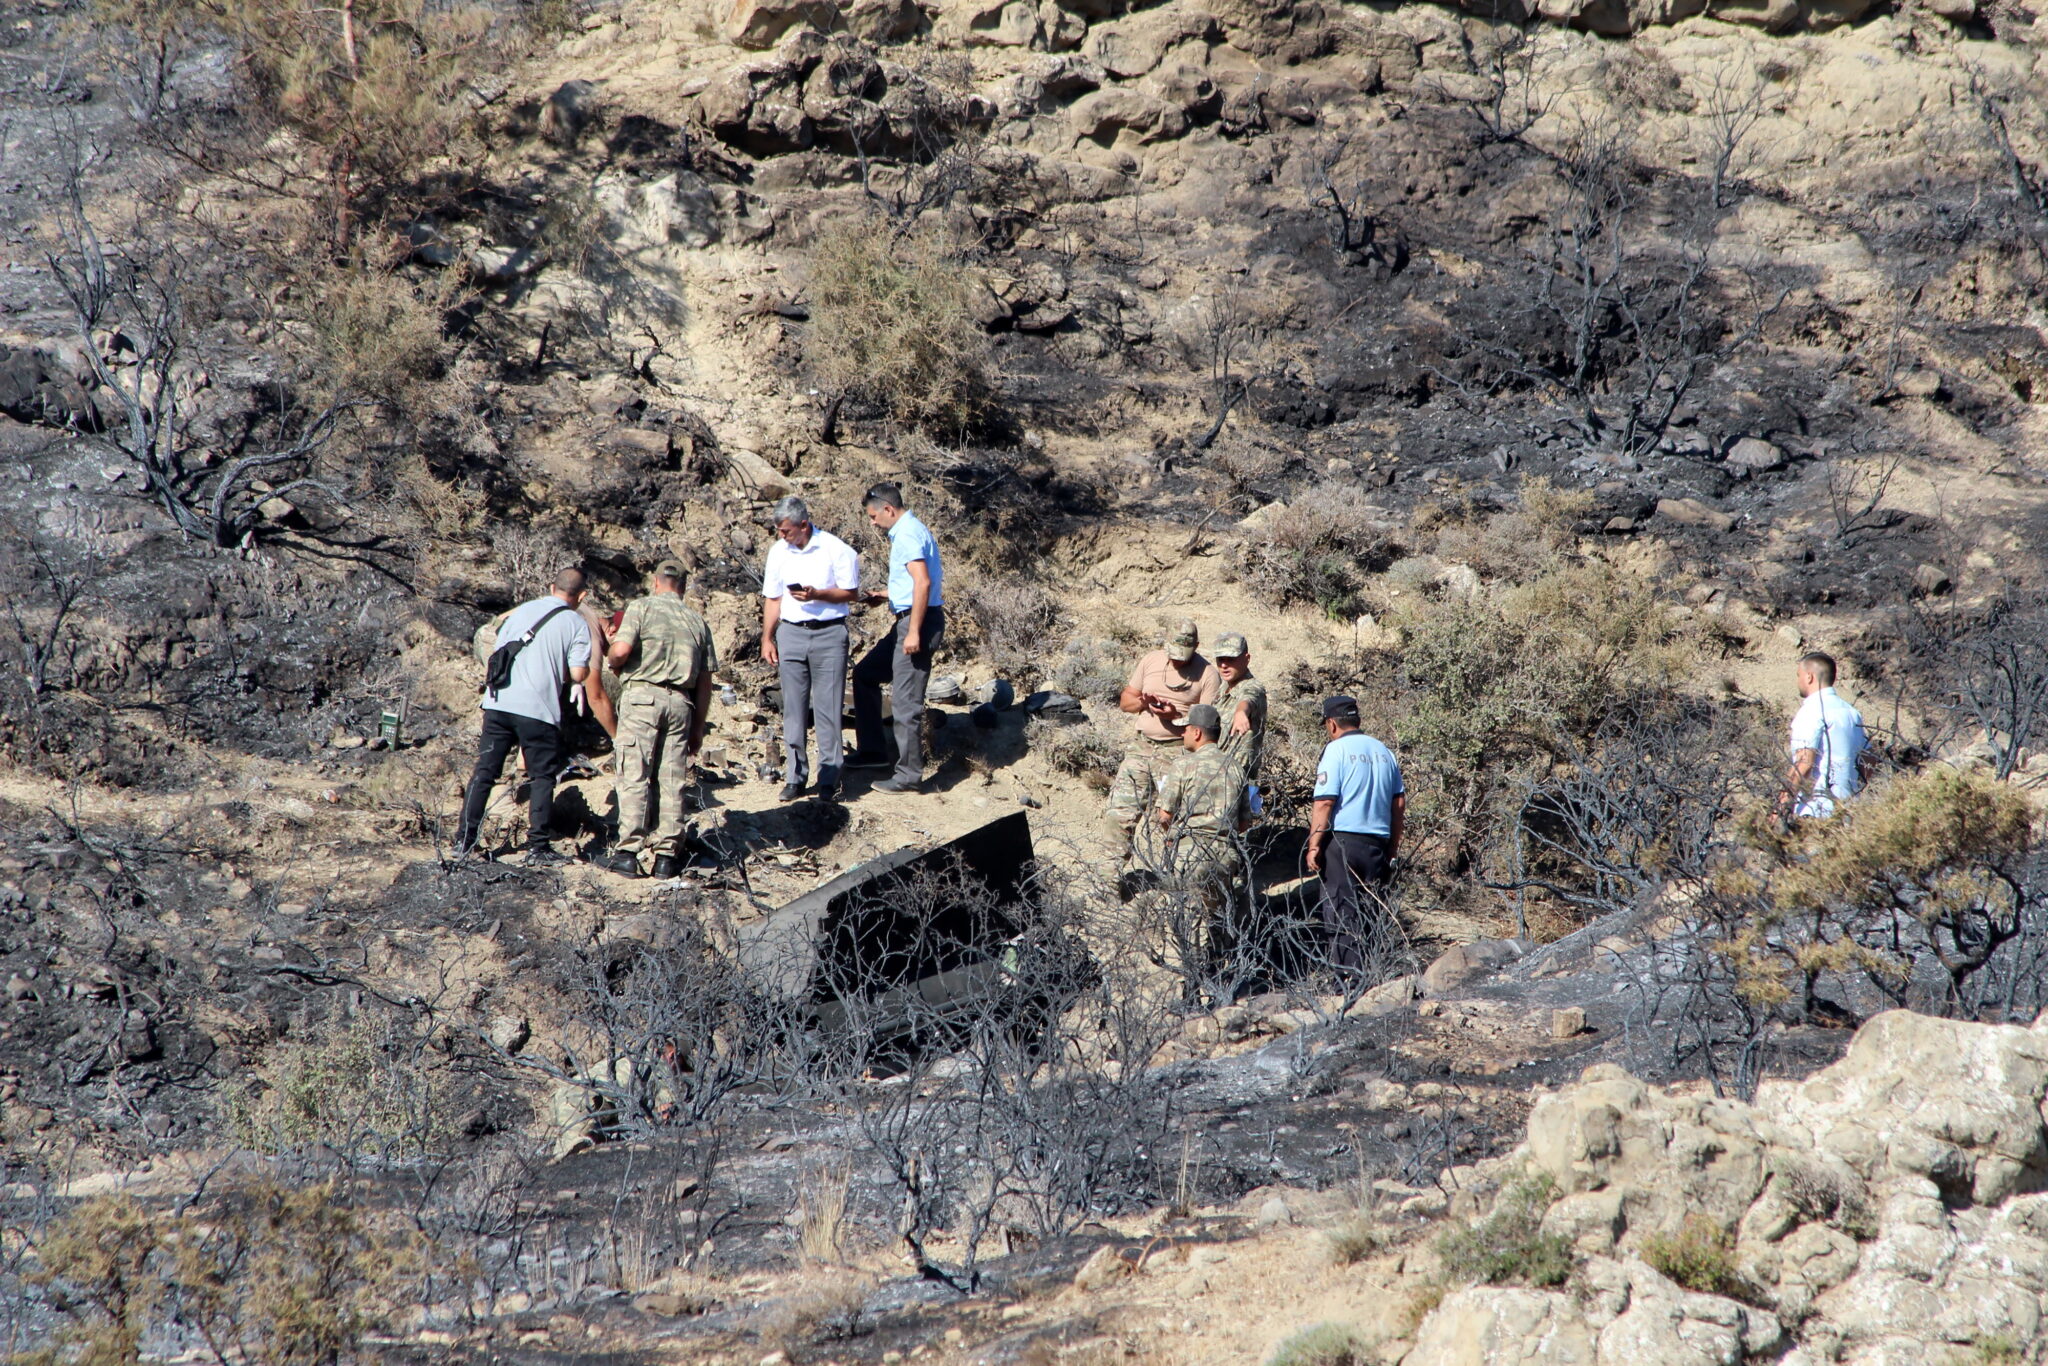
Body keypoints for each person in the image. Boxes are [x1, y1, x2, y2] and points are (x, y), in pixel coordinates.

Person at [456, 568, 593, 864]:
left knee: (484, 773)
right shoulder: (576, 623)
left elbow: (497, 648)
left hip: (497, 702)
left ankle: (463, 842)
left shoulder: (520, 611)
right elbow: (578, 673)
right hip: (538, 709)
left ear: (550, 586)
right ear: (582, 596)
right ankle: (538, 848)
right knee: (542, 776)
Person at [601, 559, 717, 879]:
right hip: (681, 702)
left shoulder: (641, 607)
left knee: (634, 772)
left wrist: (612, 659)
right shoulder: (697, 622)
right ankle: (667, 857)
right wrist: (698, 728)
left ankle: (627, 852)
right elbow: (705, 683)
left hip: (642, 697)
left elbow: (621, 652)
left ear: (655, 582)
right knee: (671, 779)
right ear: (682, 586)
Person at [760, 495, 860, 803]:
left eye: (787, 530)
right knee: (793, 708)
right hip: (791, 634)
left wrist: (819, 595)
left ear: (804, 525)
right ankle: (795, 777)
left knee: (829, 709)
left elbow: (851, 593)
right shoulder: (778, 552)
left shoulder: (836, 550)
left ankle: (829, 778)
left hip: (829, 635)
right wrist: (767, 637)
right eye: (779, 530)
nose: (782, 536)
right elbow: (773, 598)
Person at [849, 483, 945, 794]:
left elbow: (923, 582)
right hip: (910, 619)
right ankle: (873, 752)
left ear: (889, 509)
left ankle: (908, 776)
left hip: (917, 624)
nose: (873, 522)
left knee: (905, 703)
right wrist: (887, 595)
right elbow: (915, 583)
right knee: (864, 675)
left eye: (874, 516)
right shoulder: (912, 530)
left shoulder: (906, 534)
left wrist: (914, 631)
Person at [1307, 695, 1404, 977]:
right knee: (1370, 914)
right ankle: (1373, 978)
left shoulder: (1336, 750)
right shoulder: (1384, 752)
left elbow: (1325, 802)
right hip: (1377, 845)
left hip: (1342, 843)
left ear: (1332, 724)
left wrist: (1314, 844)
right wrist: (1393, 847)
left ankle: (1347, 984)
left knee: (1341, 914)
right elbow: (1398, 805)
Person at [1152, 704, 1255, 964]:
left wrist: (1171, 833)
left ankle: (1192, 984)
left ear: (1197, 732)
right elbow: (1245, 824)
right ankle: (1222, 973)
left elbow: (1164, 814)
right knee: (1219, 918)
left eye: (1186, 729)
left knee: (1190, 923)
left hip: (1192, 851)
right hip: (1225, 854)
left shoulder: (1184, 765)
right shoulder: (1235, 768)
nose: (1183, 734)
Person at [1108, 619, 1222, 848]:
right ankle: (1110, 877)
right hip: (1140, 749)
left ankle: (1167, 878)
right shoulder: (1151, 660)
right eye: (1173, 652)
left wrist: (1174, 716)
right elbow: (1125, 701)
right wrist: (1144, 703)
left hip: (1176, 755)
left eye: (1183, 654)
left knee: (1167, 822)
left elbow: (1208, 727)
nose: (1176, 659)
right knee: (1119, 816)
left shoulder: (1208, 674)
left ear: (1196, 646)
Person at [1780, 651, 1870, 820]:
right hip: (1847, 812)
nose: (1798, 680)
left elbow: (1804, 762)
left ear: (1809, 677)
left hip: (1815, 811)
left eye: (1798, 675)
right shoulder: (1852, 713)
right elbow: (1868, 762)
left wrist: (1780, 808)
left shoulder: (1811, 711)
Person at [1213, 632, 1268, 780]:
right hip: (1217, 775)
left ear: (1246, 659)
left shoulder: (1253, 686)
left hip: (1238, 780)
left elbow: (1249, 698)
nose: (1224, 665)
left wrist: (1241, 712)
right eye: (1220, 660)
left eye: (1231, 659)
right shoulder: (1223, 688)